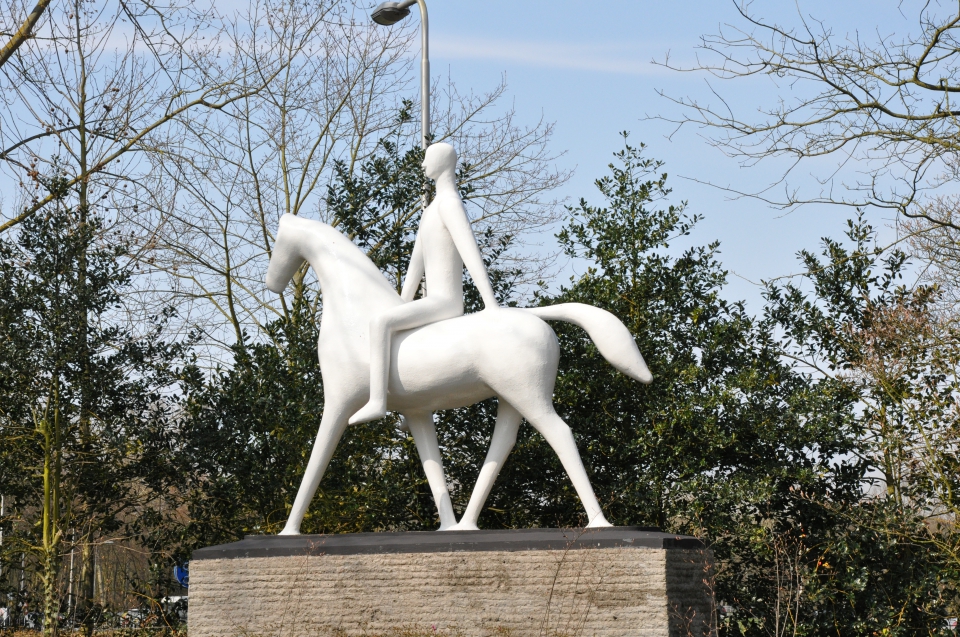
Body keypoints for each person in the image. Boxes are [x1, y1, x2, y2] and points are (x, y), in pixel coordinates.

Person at [348, 142, 500, 424]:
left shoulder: (450, 204)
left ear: (443, 162)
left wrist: (490, 303)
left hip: (445, 302)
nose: (422, 164)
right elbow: (414, 269)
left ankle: (378, 400)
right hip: (430, 301)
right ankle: (410, 401)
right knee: (388, 323)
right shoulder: (430, 211)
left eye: (428, 158)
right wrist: (400, 305)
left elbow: (470, 253)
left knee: (380, 323)